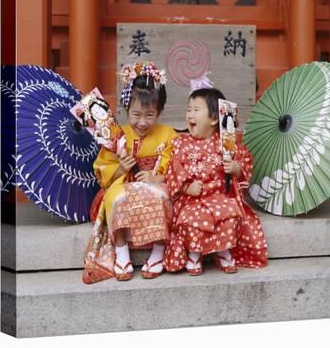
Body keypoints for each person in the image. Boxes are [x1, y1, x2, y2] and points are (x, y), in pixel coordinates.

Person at [83, 62, 177, 283]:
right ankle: (121, 249)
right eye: (135, 114)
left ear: (159, 112)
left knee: (162, 195)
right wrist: (121, 168)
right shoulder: (115, 136)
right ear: (126, 109)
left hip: (155, 183)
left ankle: (158, 250)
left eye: (150, 115)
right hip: (123, 182)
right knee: (116, 198)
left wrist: (158, 177)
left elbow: (176, 165)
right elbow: (103, 175)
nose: (142, 122)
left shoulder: (168, 134)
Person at [163, 87, 267, 275]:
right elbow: (173, 171)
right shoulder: (181, 143)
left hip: (220, 196)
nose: (190, 115)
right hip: (193, 200)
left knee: (230, 214)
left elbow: (245, 162)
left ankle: (223, 251)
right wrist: (187, 187)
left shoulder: (226, 143)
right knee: (190, 220)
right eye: (189, 110)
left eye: (196, 110)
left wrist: (236, 168)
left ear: (213, 119)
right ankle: (194, 254)